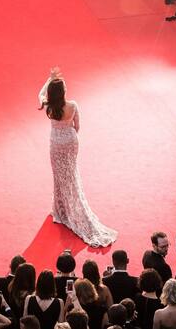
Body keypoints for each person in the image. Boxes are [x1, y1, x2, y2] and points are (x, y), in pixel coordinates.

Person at [39, 67, 117, 247]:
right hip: (71, 142)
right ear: (64, 92)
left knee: (59, 177)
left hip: (56, 144)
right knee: (71, 175)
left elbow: (40, 93)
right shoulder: (73, 105)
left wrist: (49, 80)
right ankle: (68, 207)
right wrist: (70, 137)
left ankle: (61, 210)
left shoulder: (48, 106)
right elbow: (77, 126)